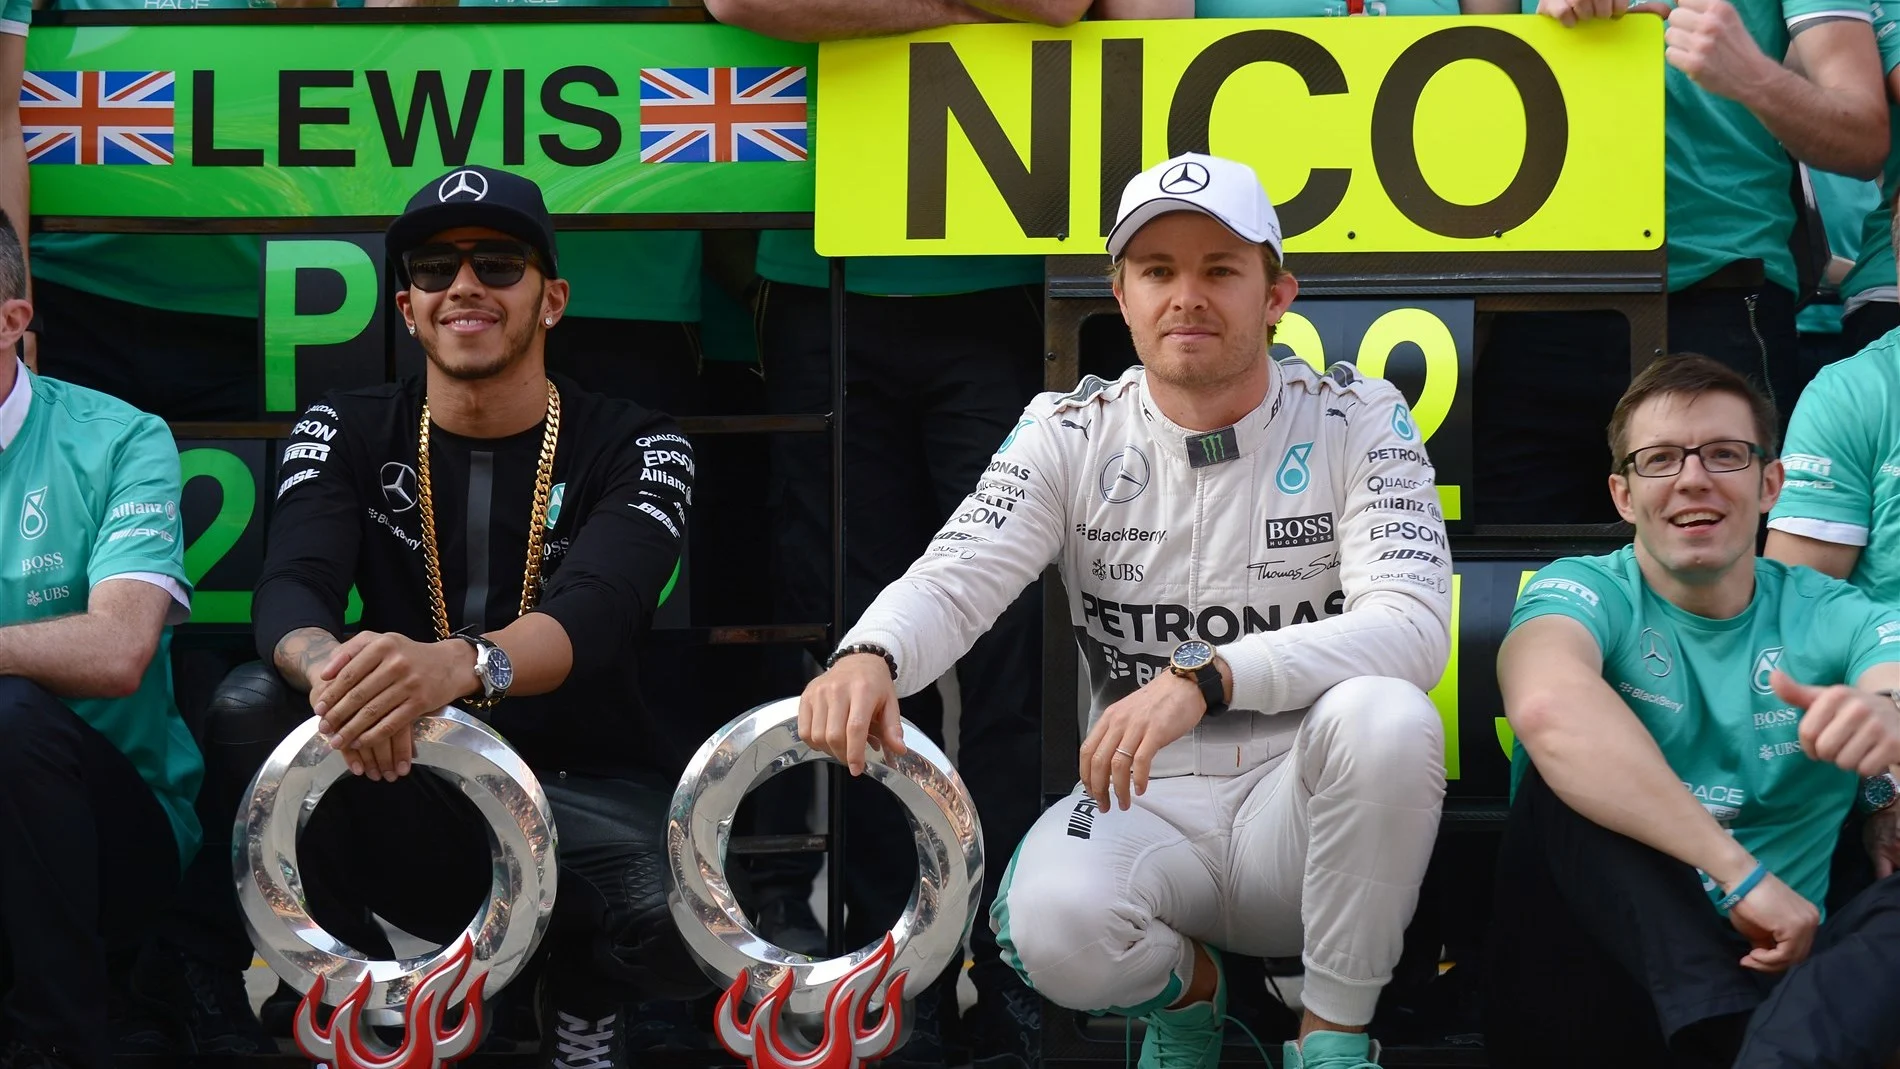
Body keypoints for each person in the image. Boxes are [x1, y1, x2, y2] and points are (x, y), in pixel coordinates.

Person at [800, 152, 1451, 1069]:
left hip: (1304, 824)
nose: (1187, 296)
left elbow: (1415, 629)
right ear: (1122, 295)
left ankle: (1333, 1037)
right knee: (1045, 924)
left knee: (1388, 716)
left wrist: (1207, 677)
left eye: (1220, 269)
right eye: (1157, 271)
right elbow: (955, 575)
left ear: (1277, 296)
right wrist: (872, 652)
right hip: (1144, 808)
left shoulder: (1361, 416)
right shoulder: (1067, 430)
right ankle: (1193, 1000)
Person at [212, 165, 700, 1069]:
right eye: (436, 268)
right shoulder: (345, 425)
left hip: (578, 789)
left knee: (685, 916)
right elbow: (290, 589)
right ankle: (356, 990)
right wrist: (337, 676)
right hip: (407, 771)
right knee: (253, 704)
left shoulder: (637, 438)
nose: (464, 286)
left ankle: (575, 991)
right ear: (408, 308)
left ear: (552, 299)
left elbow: (599, 610)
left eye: (498, 264)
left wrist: (456, 666)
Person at [1485, 354, 1900, 1068]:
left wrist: (1887, 717)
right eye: (1660, 459)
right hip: (1603, 988)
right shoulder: (1583, 591)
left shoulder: (1836, 612)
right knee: (1566, 780)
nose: (1692, 478)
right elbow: (1548, 703)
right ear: (1622, 495)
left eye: (1725, 454)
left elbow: (1890, 672)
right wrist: (1737, 874)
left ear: (1771, 484)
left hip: (1786, 993)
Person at [1474, 0, 1890, 524]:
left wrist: (1751, 75)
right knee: (1513, 567)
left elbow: (1863, 139)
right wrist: (1533, 31)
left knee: (1730, 565)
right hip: (1532, 296)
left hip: (1718, 292)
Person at [0, 212, 203, 1069]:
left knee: (8, 712)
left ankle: (58, 1042)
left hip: (114, 837)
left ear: (12, 320)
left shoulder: (120, 437)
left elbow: (119, 651)